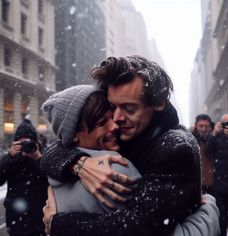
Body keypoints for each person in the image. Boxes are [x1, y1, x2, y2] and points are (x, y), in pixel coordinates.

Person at [41, 55, 202, 235]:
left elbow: (140, 227)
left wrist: (59, 224)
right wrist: (79, 163)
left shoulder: (176, 147)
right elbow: (56, 148)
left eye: (129, 108)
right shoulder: (123, 132)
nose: (116, 119)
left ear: (159, 103)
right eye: (112, 107)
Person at [42, 84, 141, 214]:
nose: (114, 126)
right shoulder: (116, 170)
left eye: (111, 117)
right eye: (101, 122)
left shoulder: (56, 179)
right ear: (74, 135)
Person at [0, 119, 48, 236]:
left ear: (36, 143)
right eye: (22, 143)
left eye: (29, 142)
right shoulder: (12, 159)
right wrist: (10, 158)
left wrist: (37, 158)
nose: (26, 146)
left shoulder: (43, 157)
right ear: (16, 144)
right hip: (15, 220)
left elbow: (52, 180)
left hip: (39, 220)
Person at [206, 113, 228, 236]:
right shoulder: (215, 136)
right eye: (225, 123)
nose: (227, 126)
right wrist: (213, 134)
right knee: (221, 215)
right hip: (220, 182)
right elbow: (208, 152)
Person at [192, 114, 215, 196]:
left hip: (211, 182)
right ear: (196, 125)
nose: (203, 129)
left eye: (206, 126)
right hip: (195, 182)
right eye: (201, 126)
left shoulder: (214, 137)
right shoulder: (189, 138)